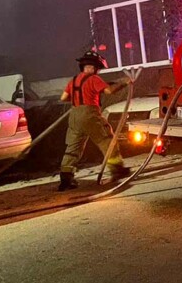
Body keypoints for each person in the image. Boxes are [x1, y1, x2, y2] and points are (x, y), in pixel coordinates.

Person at [57, 51, 132, 191]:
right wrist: (124, 82)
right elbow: (109, 91)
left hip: (74, 115)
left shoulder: (73, 80)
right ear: (94, 67)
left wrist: (78, 100)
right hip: (90, 114)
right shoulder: (94, 79)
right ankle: (117, 169)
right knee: (107, 140)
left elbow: (63, 98)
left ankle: (66, 179)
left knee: (73, 147)